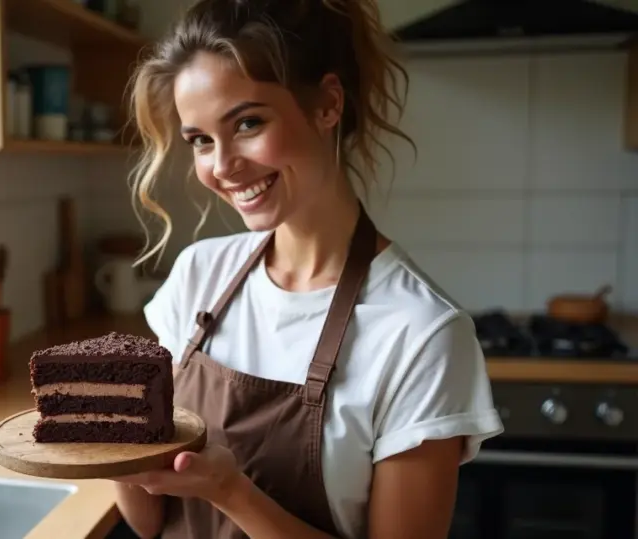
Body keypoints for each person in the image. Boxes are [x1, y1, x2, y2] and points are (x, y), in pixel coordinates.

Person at [110, 0, 505, 538]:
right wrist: (109, 437)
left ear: (327, 105)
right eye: (200, 140)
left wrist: (229, 491)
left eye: (247, 123)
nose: (222, 166)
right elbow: (150, 520)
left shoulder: (420, 334)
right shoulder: (198, 275)